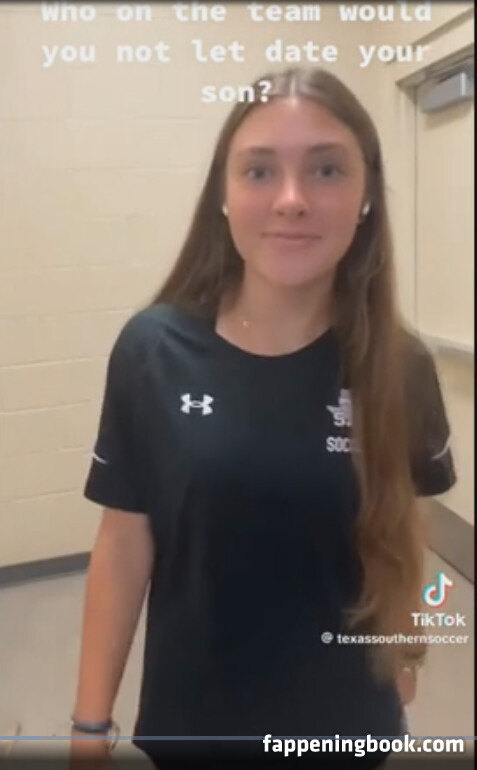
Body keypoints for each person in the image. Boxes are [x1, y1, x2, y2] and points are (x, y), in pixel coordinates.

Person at [69, 67, 456, 769]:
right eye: (258, 171)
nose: (291, 200)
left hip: (346, 730)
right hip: (195, 729)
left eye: (326, 169)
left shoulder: (400, 366)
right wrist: (89, 728)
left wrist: (406, 646)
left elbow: (404, 526)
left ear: (367, 195)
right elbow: (123, 545)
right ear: (223, 194)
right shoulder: (152, 351)